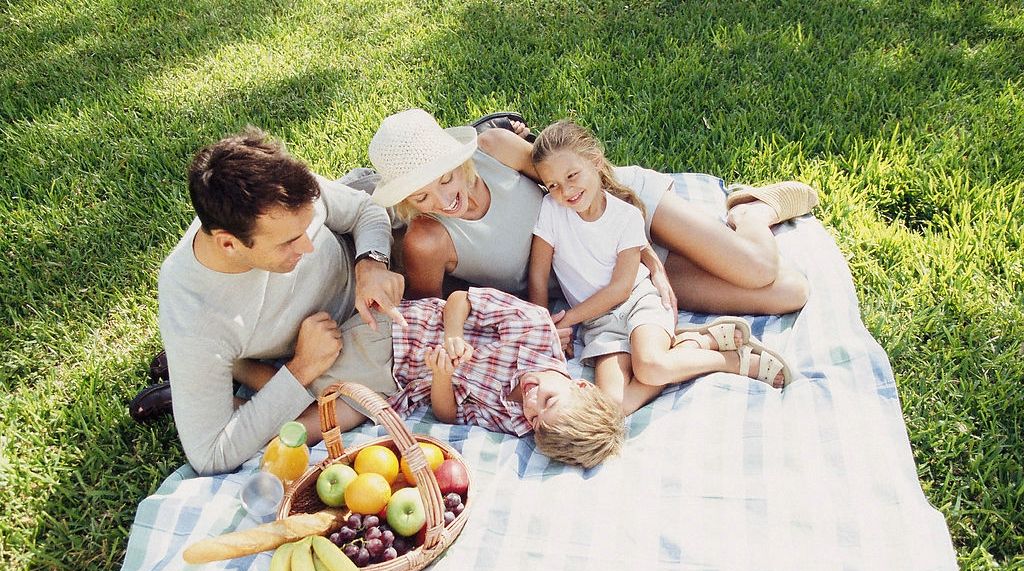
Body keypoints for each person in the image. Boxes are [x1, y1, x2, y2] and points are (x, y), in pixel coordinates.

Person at [367, 109, 818, 328]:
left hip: (621, 207)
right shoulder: (427, 241)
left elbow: (566, 179)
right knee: (788, 292)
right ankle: (743, 218)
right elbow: (435, 315)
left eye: (447, 179)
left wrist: (652, 256)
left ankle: (751, 211)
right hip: (600, 268)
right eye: (421, 195)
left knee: (757, 267)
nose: (445, 200)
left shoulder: (494, 149)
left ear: (458, 157)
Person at [151, 127, 406, 476]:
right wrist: (302, 367)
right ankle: (205, 384)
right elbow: (209, 454)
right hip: (335, 348)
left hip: (371, 279)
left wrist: (371, 263)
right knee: (359, 400)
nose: (309, 246)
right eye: (289, 242)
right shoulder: (197, 316)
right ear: (229, 244)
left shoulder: (280, 199)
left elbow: (364, 210)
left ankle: (220, 375)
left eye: (307, 229)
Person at [528, 120, 791, 416]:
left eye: (572, 175)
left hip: (639, 302)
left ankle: (731, 361)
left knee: (650, 367)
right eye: (553, 185)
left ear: (595, 161)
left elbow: (621, 288)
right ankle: (695, 343)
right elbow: (538, 277)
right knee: (612, 407)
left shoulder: (625, 215)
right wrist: (543, 326)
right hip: (598, 323)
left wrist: (566, 320)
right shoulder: (551, 209)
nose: (566, 190)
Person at [234, 287, 626, 469]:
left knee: (321, 424)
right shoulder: (534, 328)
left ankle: (240, 414)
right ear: (580, 384)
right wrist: (453, 336)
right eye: (548, 400)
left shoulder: (519, 422)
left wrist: (443, 377)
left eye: (536, 417)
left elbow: (448, 416)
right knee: (309, 397)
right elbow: (460, 300)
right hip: (395, 338)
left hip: (396, 389)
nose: (530, 404)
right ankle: (229, 366)